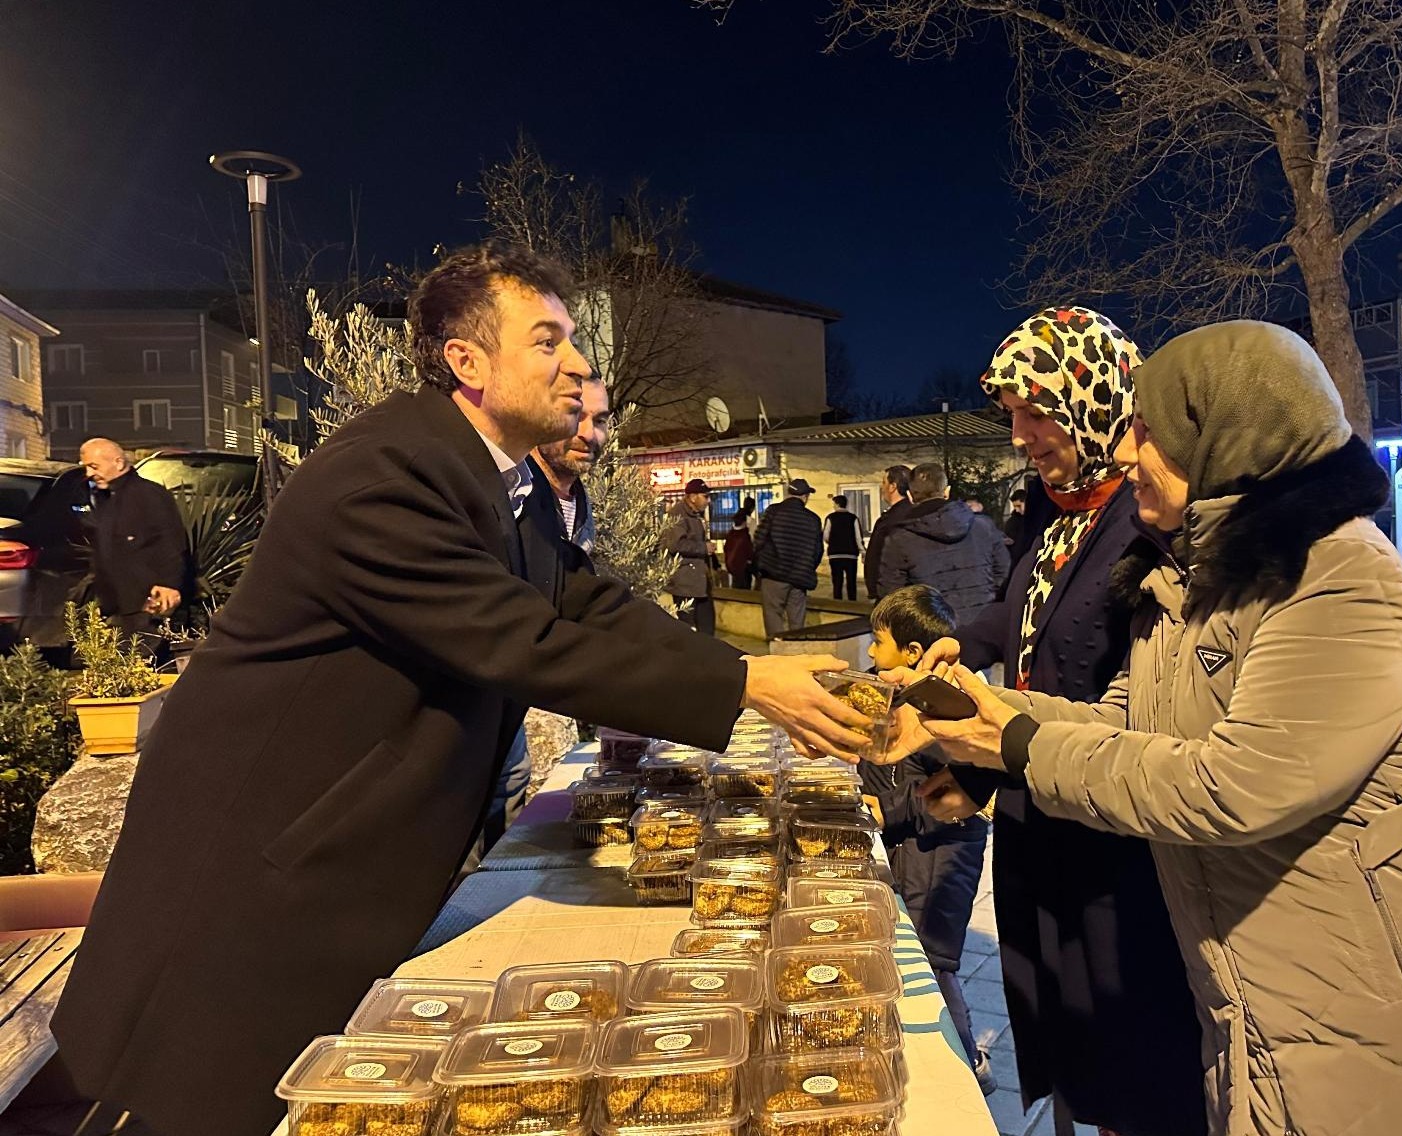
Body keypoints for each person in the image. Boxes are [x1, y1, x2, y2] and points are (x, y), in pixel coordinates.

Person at [48, 245, 871, 1136]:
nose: (574, 367)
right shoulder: (384, 474)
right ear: (466, 361)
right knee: (221, 1090)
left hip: (337, 851)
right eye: (546, 342)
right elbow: (517, 641)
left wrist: (744, 673)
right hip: (264, 862)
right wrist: (742, 683)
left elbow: (584, 601)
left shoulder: (499, 481)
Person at [893, 320, 1402, 1136]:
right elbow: (1123, 721)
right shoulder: (1185, 582)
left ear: (1222, 435)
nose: (1124, 452)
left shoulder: (1337, 569)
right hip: (1282, 966)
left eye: (1148, 431)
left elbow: (1238, 784)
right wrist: (981, 715)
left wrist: (1014, 746)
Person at [904, 308, 1205, 1136]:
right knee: (1071, 1035)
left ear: (1093, 400)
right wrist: (960, 647)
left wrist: (982, 761)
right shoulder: (1056, 508)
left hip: (1115, 833)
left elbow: (1132, 693)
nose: (1020, 437)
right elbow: (1022, 610)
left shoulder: (1145, 519)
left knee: (1131, 1050)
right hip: (1040, 806)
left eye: (1035, 413)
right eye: (1012, 415)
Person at [857, 584, 993, 1093]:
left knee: (933, 963)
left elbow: (958, 794)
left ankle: (966, 1066)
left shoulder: (944, 709)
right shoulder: (890, 689)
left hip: (940, 856)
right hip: (908, 846)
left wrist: (887, 809)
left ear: (913, 652)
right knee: (911, 954)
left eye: (879, 642)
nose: (871, 652)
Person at [77, 437, 191, 651]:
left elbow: (170, 541)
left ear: (118, 463)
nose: (89, 473)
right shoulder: (105, 498)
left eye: (94, 466)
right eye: (86, 467)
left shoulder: (149, 495)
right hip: (117, 603)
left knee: (143, 658)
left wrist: (169, 584)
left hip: (147, 603)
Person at [876, 462, 1009, 622]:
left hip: (932, 627)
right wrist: (985, 597)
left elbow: (891, 593)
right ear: (946, 491)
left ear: (910, 496)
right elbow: (1003, 571)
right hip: (982, 621)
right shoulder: (983, 526)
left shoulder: (899, 539)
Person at [529, 370, 612, 556]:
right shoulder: (511, 499)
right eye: (574, 415)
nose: (588, 434)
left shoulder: (583, 507)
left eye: (599, 421)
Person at [753, 478, 823, 639]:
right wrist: (806, 567)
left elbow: (759, 540)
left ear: (788, 493)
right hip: (799, 577)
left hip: (774, 574)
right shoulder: (813, 519)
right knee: (797, 622)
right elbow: (817, 551)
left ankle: (777, 648)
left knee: (773, 616)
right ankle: (795, 649)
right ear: (805, 497)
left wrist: (761, 563)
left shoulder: (773, 511)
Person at [663, 477, 717, 633]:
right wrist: (703, 548)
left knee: (707, 629)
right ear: (693, 497)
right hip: (685, 584)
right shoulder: (678, 515)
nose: (708, 501)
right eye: (705, 496)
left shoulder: (696, 515)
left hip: (699, 583)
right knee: (690, 630)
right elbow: (675, 545)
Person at [864, 465, 912, 599]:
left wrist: (877, 589)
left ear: (893, 487)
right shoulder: (913, 513)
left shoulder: (892, 520)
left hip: (892, 593)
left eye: (884, 482)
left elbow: (879, 555)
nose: (882, 487)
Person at [823, 494, 866, 600]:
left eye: (834, 504)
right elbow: (858, 537)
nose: (833, 506)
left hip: (835, 554)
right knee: (851, 582)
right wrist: (863, 551)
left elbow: (826, 536)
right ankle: (852, 602)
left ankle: (838, 603)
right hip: (851, 555)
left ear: (837, 504)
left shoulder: (830, 517)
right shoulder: (853, 518)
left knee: (837, 582)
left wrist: (833, 543)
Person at [724, 498, 756, 589]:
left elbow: (726, 548)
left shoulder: (731, 533)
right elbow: (750, 549)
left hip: (733, 565)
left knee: (736, 586)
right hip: (744, 566)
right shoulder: (745, 533)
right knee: (745, 587)